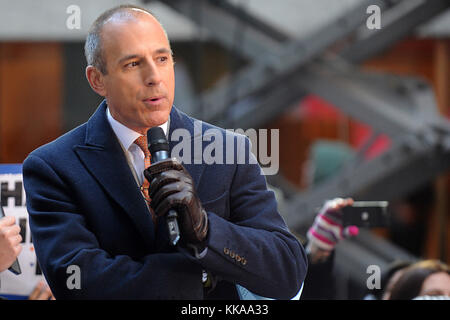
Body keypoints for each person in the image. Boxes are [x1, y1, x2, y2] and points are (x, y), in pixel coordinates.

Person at [22, 5, 307, 300]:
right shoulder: (53, 166)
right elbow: (77, 281)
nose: (154, 76)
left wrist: (206, 230)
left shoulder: (227, 149)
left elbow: (286, 270)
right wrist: (205, 274)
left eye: (162, 58)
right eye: (133, 64)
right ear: (97, 80)